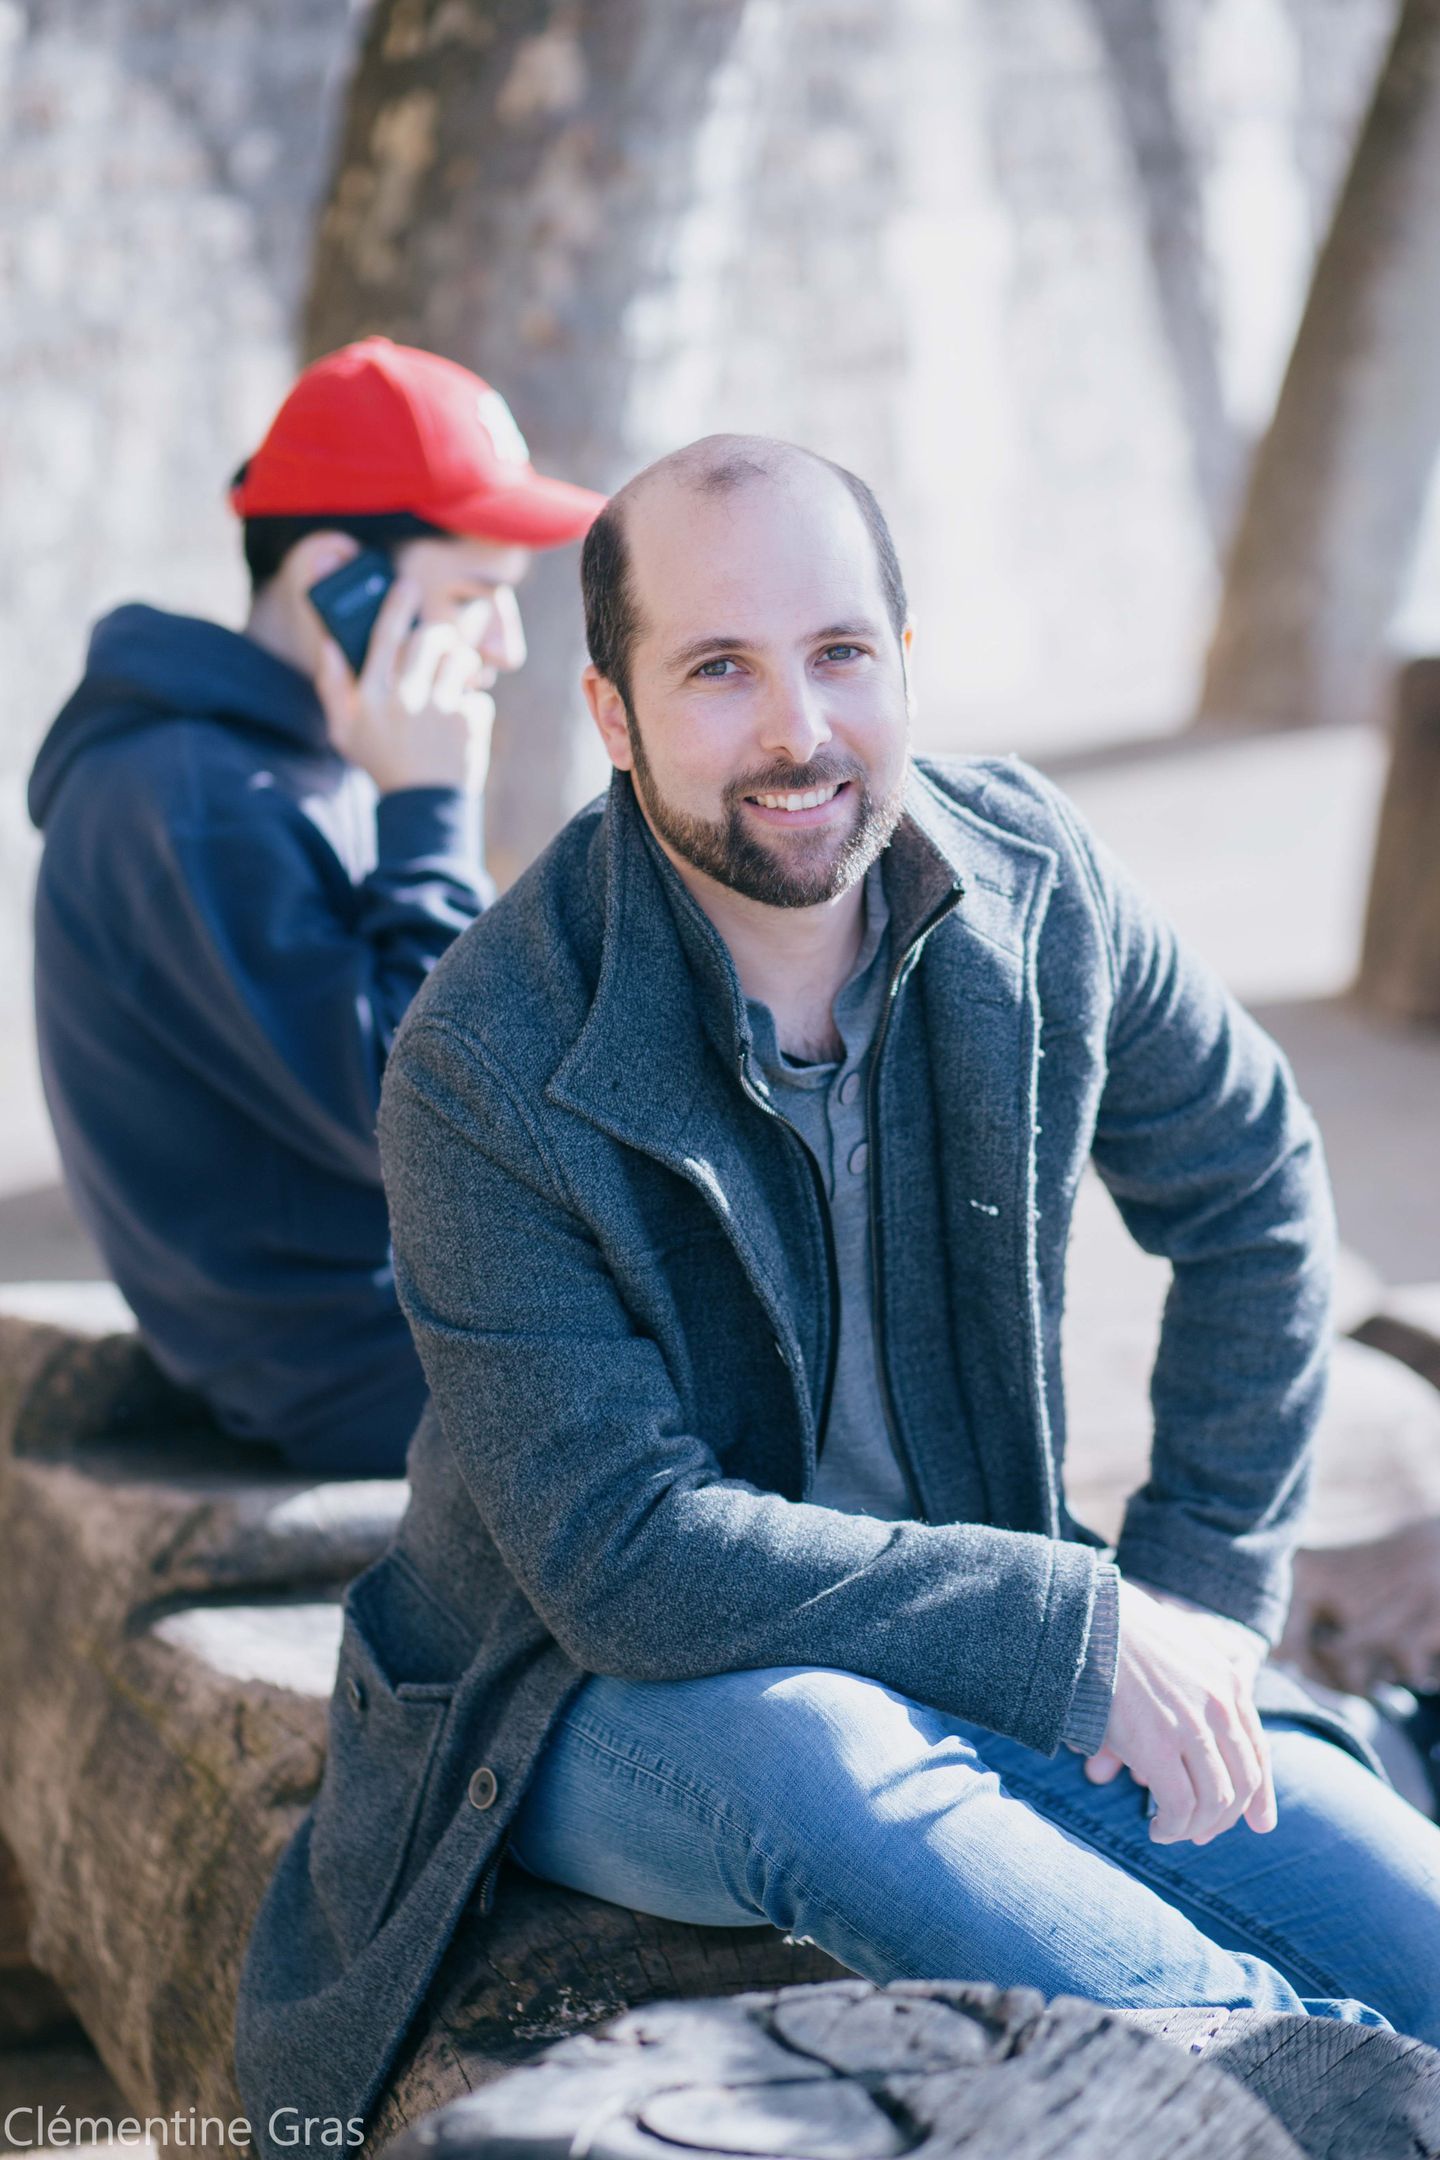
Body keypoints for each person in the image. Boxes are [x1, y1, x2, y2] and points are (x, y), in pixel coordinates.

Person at [235, 435, 1440, 2153]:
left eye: (840, 652)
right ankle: (1317, 2114)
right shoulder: (483, 1059)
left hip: (973, 1624)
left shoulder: (1036, 878)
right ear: (612, 712)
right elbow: (624, 1559)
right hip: (588, 1696)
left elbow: (1253, 1186)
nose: (799, 729)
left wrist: (1201, 1594)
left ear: (906, 662)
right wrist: (1075, 1631)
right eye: (719, 668)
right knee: (822, 1751)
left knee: (1393, 1901)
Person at [28, 337, 603, 1475]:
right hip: (361, 1368)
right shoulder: (195, 800)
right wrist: (430, 808)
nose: (507, 644)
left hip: (410, 1325)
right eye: (474, 596)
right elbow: (434, 1124)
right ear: (339, 575)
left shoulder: (290, 761)